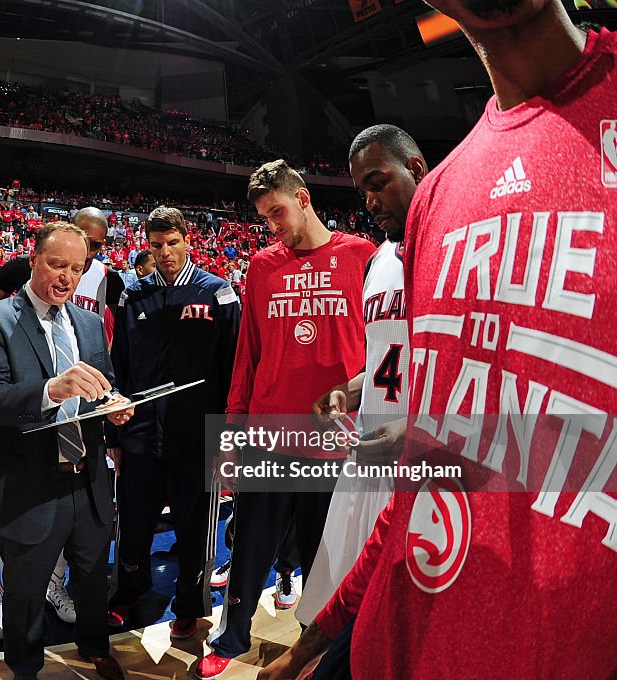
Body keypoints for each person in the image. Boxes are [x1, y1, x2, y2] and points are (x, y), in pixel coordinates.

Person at [262, 4, 617, 679]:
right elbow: (424, 469)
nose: (371, 199)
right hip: (408, 636)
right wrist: (315, 643)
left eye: (379, 181)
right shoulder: (440, 199)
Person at [196, 161, 374, 680]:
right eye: (263, 217)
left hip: (337, 438)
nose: (271, 224)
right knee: (249, 547)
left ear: (303, 197)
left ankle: (314, 645)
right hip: (269, 433)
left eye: (276, 211)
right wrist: (232, 432)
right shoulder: (261, 265)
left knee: (325, 555)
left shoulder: (362, 256)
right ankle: (231, 637)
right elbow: (246, 356)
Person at [0, 221, 134, 680]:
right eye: (57, 265)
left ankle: (96, 647)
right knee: (24, 590)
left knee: (93, 575)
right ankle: (24, 666)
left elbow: (102, 389)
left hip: (88, 475)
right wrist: (50, 390)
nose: (66, 278)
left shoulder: (89, 323)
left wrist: (112, 406)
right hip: (30, 482)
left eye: (77, 269)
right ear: (34, 260)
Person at [294, 125, 427, 633]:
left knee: (404, 621)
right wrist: (345, 391)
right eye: (362, 191)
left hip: (424, 456)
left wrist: (417, 428)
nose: (370, 201)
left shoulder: (451, 249)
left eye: (378, 182)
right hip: (371, 449)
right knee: (345, 613)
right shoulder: (378, 261)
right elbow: (382, 359)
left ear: (414, 168)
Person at [106, 207, 241, 636]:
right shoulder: (133, 296)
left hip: (197, 437)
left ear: (188, 239)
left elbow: (234, 370)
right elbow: (119, 368)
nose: (165, 253)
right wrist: (115, 433)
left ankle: (189, 605)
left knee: (195, 526)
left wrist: (227, 436)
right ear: (147, 245)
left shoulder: (218, 293)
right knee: (133, 523)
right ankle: (128, 594)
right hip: (140, 435)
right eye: (156, 245)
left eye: (172, 243)